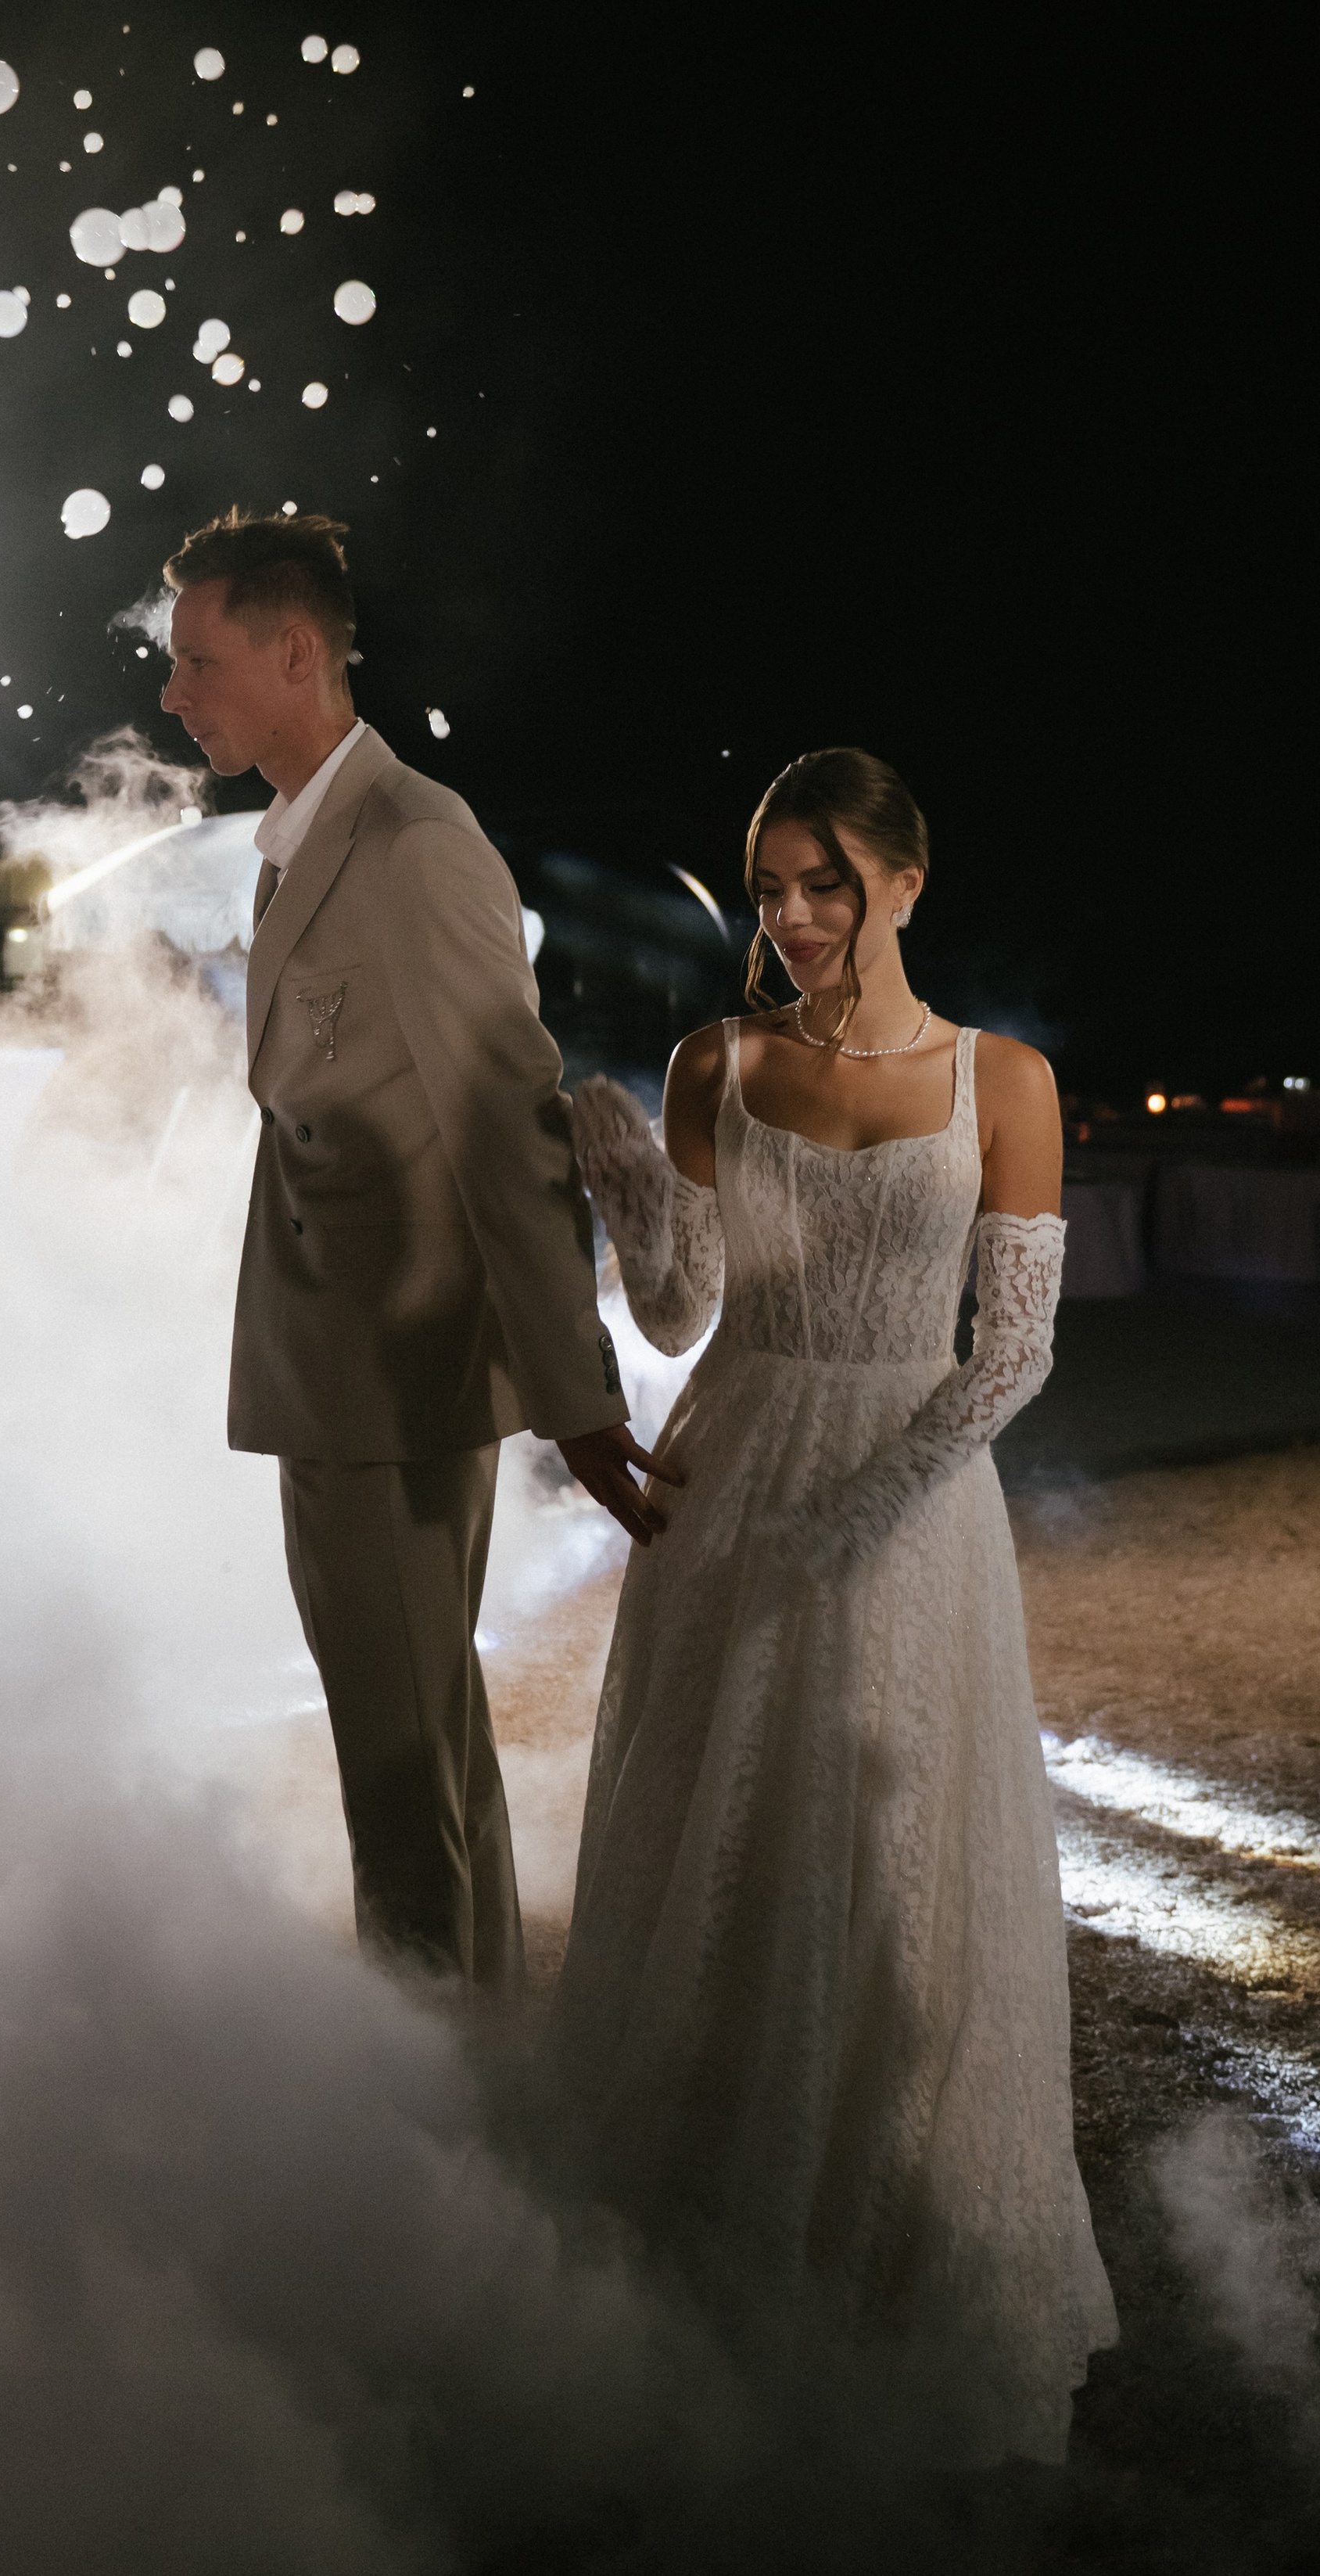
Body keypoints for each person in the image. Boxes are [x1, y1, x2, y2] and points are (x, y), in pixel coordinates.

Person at [556, 747, 1117, 2465]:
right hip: (729, 1466)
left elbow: (1008, 1355)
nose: (790, 916)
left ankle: (903, 2239)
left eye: (823, 881)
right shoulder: (713, 1056)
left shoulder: (1000, 1078)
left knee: (894, 1839)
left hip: (907, 1497)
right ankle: (698, 2236)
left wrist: (861, 1511)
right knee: (714, 1826)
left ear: (904, 880)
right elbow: (674, 1310)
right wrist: (616, 1161)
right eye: (769, 885)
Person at [160, 508, 675, 1992]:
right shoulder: (296, 844)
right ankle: (473, 2081)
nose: (176, 692)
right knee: (417, 1753)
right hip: (338, 1375)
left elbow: (509, 1132)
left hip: (394, 1380)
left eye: (201, 661)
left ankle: (440, 2118)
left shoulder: (415, 840)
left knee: (404, 1777)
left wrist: (576, 1399)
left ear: (295, 649)